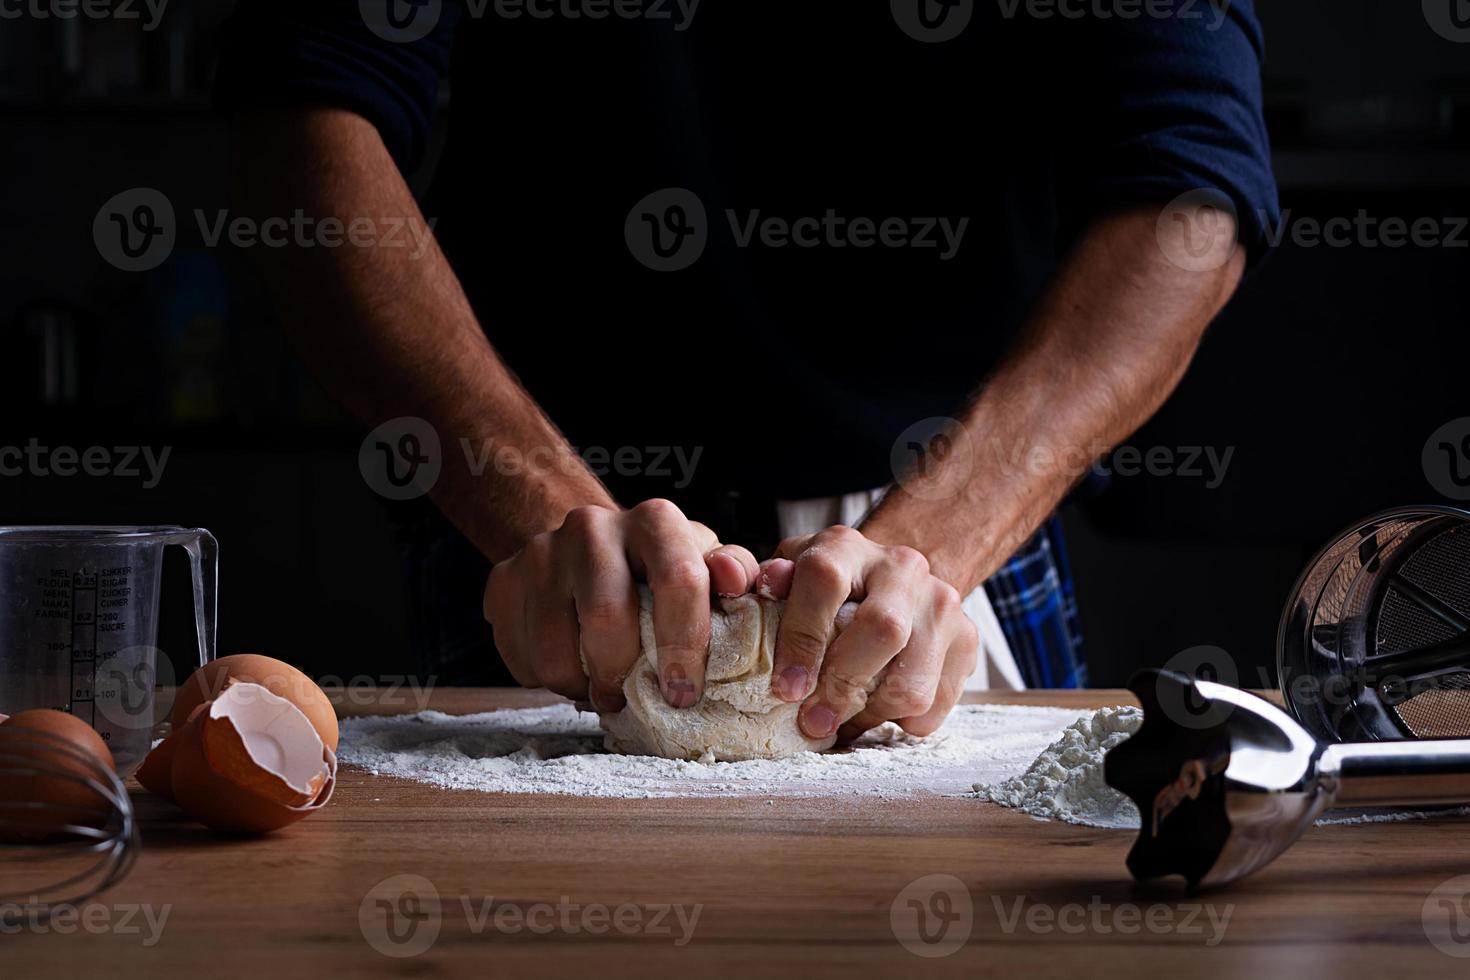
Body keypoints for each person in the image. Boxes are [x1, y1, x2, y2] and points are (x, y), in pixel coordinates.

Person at [214, 1, 1277, 744]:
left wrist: (924, 554)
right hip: (548, 545)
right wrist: (544, 515)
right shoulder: (551, 545)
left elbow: (1191, 180)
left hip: (947, 549)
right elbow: (302, 107)